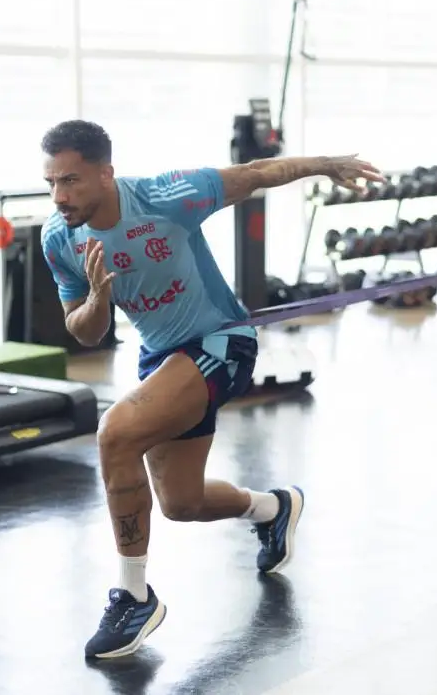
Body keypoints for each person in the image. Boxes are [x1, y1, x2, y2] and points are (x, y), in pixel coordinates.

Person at [38, 119, 384, 659]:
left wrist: (325, 163)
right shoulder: (60, 239)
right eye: (51, 183)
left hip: (221, 341)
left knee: (115, 434)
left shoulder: (164, 196)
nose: (60, 196)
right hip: (162, 357)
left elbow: (253, 173)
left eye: (72, 181)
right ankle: (273, 509)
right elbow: (82, 330)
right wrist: (99, 300)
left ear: (106, 174)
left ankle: (135, 598)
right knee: (182, 502)